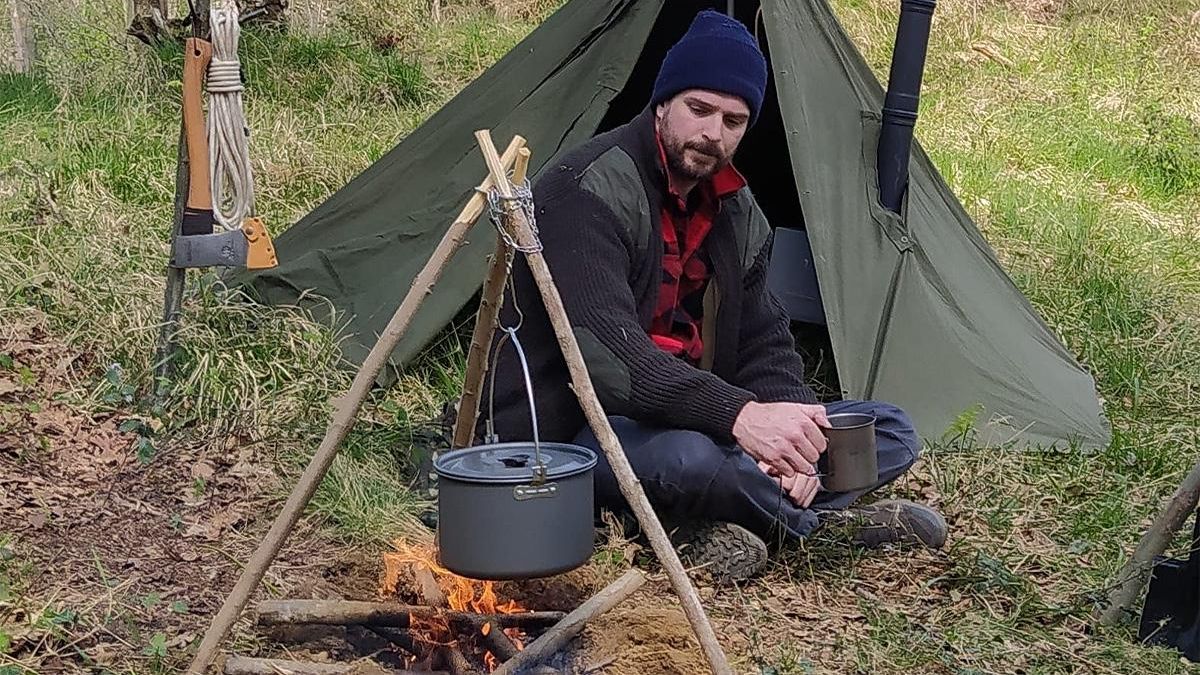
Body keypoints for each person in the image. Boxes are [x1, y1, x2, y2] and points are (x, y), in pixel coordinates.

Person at [482, 10, 946, 582]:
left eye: (733, 120)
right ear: (663, 104)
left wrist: (792, 431)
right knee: (692, 459)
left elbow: (764, 339)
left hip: (697, 414)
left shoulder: (737, 208)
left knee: (886, 430)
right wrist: (742, 419)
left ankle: (731, 511)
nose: (713, 133)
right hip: (580, 433)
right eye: (698, 110)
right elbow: (611, 366)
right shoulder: (587, 189)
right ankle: (821, 531)